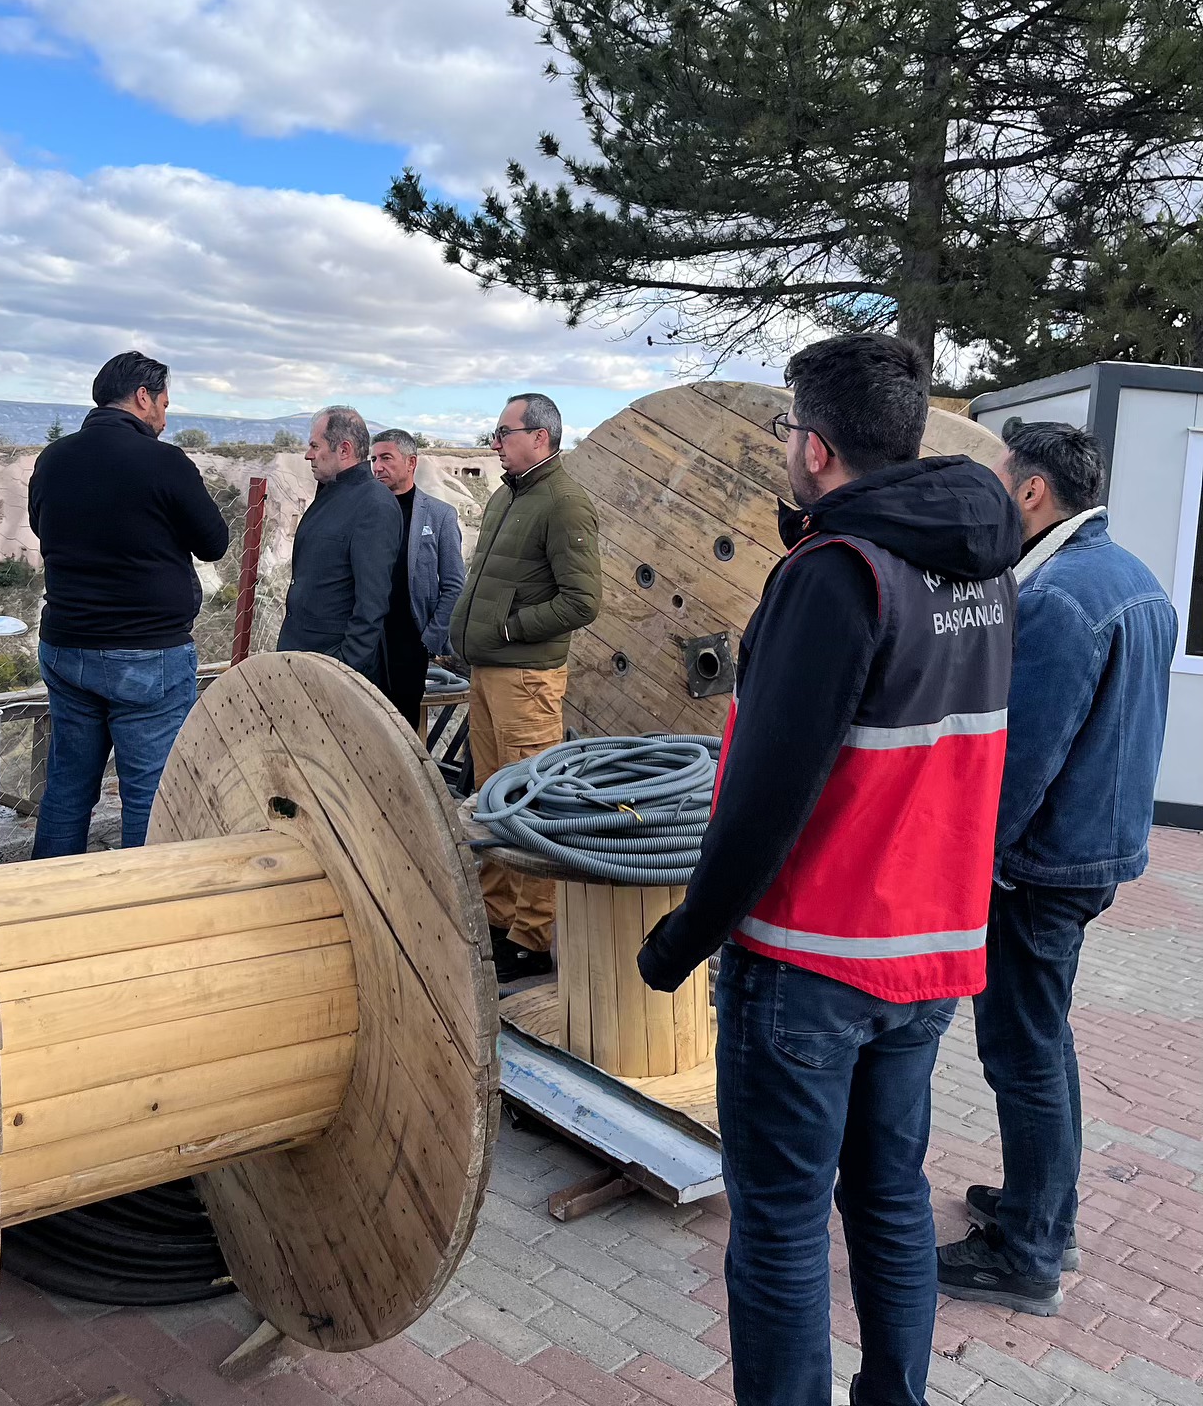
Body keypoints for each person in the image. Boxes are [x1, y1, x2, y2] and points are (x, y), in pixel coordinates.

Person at [638, 333, 1021, 1406]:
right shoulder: (985, 570)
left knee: (780, 1227)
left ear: (815, 449)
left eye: (787, 435)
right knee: (891, 1200)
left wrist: (683, 940)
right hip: (930, 959)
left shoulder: (835, 574)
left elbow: (766, 800)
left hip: (813, 963)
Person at [937, 420, 1176, 1315]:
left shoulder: (1060, 597)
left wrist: (973, 865)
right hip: (1094, 852)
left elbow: (1021, 760)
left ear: (1032, 492)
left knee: (1022, 1052)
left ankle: (1030, 1252)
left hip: (1040, 869)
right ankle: (1047, 1209)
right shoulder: (1134, 579)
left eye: (1002, 484)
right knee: (1048, 1042)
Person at [28, 351, 230, 856]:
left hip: (67, 647)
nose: (165, 416)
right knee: (150, 796)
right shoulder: (164, 461)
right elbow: (214, 543)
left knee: (68, 789)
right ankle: (146, 913)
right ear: (143, 398)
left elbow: (40, 527)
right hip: (148, 656)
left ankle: (47, 907)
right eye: (164, 403)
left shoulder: (53, 459)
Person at [452, 392, 601, 983]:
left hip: (527, 678)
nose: (495, 441)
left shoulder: (564, 504)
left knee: (529, 803)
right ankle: (497, 918)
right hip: (489, 673)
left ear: (540, 437)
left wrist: (510, 628)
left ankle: (535, 937)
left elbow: (583, 601)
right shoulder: (506, 498)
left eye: (504, 431)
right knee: (491, 797)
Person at [277, 405, 401, 686]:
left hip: (331, 671)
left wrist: (344, 667)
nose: (308, 454)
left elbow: (372, 604)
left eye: (315, 445)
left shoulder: (374, 504)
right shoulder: (331, 493)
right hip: (301, 659)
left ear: (343, 449)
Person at [370, 428, 466, 729]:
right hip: (366, 640)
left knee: (403, 733)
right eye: (374, 459)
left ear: (411, 463)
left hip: (410, 643)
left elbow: (453, 584)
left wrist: (429, 641)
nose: (377, 467)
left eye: (386, 458)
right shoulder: (365, 512)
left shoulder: (439, 515)